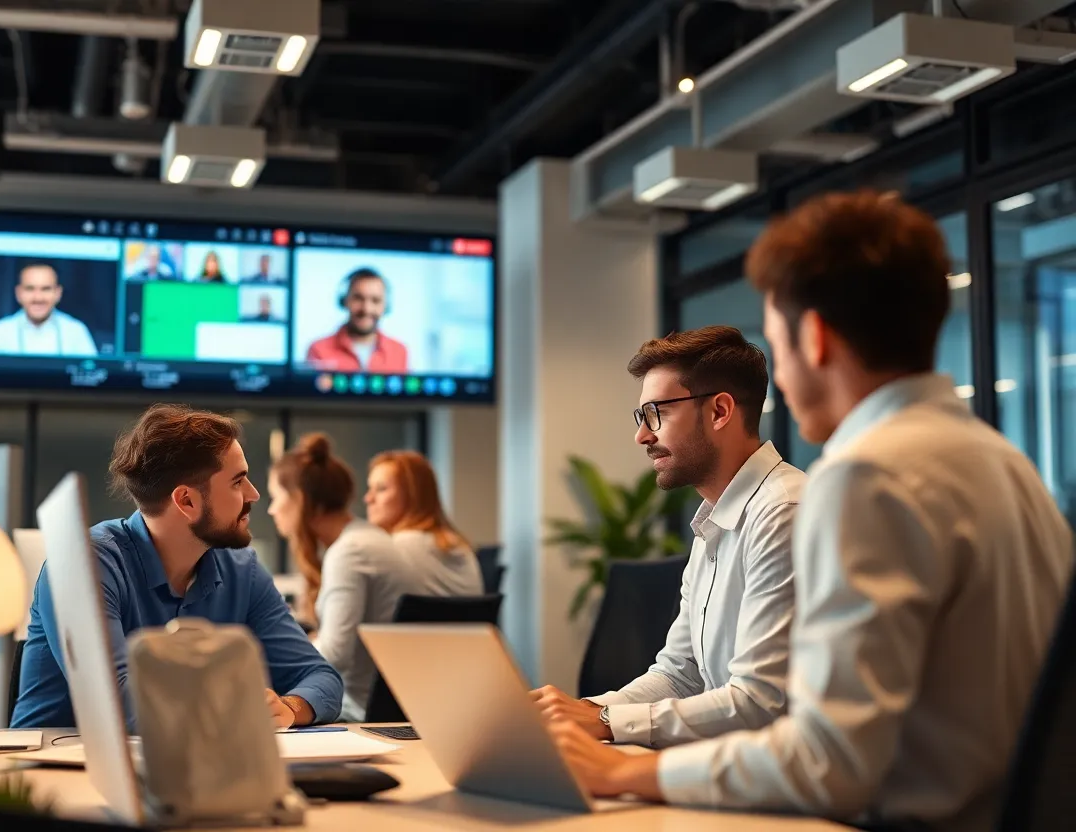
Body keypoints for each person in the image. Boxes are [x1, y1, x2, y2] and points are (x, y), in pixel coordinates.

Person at [550, 191, 1075, 832]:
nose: (782, 385)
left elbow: (828, 759)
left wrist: (626, 770)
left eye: (780, 343)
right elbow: (690, 678)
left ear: (816, 337)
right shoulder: (1003, 461)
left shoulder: (865, 476)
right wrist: (597, 723)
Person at [530, 326, 805, 749]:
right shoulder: (714, 522)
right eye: (642, 417)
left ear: (719, 411)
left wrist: (605, 721)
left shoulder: (783, 512)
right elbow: (681, 673)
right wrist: (583, 714)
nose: (642, 435)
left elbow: (759, 703)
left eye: (656, 413)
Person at [12, 405, 343, 731]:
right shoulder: (86, 563)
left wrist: (288, 708)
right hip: (55, 771)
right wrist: (238, 704)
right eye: (237, 482)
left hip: (189, 767)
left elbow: (322, 679)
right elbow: (119, 706)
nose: (253, 494)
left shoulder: (242, 569)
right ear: (186, 501)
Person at [267, 433, 412, 722]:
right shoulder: (367, 538)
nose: (271, 509)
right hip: (387, 706)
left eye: (276, 497)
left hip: (356, 713)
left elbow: (334, 654)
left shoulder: (349, 552)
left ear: (300, 499)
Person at [364, 450, 484, 597]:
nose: (368, 499)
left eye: (381, 489)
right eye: (369, 488)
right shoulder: (460, 547)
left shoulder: (393, 549)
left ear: (412, 494)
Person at [0, 263, 97, 356]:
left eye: (46, 289)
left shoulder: (76, 331)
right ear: (19, 293)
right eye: (30, 289)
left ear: (58, 293)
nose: (38, 298)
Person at [305, 268, 408, 373]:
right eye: (358, 298)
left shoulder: (399, 352)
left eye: (375, 300)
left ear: (386, 306)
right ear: (344, 301)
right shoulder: (318, 350)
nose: (366, 309)